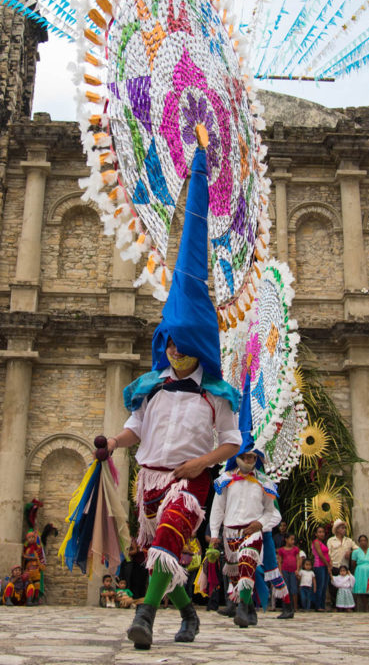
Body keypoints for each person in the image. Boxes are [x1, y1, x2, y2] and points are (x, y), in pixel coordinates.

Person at [102, 129, 242, 652]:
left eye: (186, 346)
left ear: (199, 350)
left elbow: (234, 443)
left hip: (192, 482)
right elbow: (134, 430)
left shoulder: (217, 395)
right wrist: (112, 445)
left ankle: (144, 618)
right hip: (151, 480)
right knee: (161, 552)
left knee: (166, 544)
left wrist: (201, 463)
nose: (177, 353)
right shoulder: (152, 389)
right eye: (171, 345)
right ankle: (188, 613)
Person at [208, 448, 281, 628]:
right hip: (230, 532)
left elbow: (270, 511)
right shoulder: (225, 480)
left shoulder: (265, 482)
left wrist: (261, 523)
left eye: (252, 457)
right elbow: (218, 508)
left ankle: (241, 609)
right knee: (236, 576)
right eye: (245, 456)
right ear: (237, 457)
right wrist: (214, 534)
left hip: (252, 530)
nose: (248, 460)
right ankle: (249, 608)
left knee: (248, 566)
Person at [327, 519, 356, 605]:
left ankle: (346, 605)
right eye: (342, 528)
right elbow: (329, 553)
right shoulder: (331, 540)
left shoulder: (349, 541)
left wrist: (350, 552)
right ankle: (335, 605)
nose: (344, 530)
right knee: (333, 587)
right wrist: (329, 565)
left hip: (344, 567)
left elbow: (357, 549)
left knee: (345, 587)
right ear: (337, 530)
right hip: (335, 566)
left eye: (344, 528)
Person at [277, 532, 303, 610]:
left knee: (294, 589)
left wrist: (297, 569)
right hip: (285, 570)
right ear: (286, 540)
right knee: (286, 589)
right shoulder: (281, 550)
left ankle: (295, 607)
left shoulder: (295, 549)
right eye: (291, 539)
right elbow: (279, 561)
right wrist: (280, 571)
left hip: (293, 571)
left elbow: (298, 559)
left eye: (293, 540)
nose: (293, 541)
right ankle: (286, 606)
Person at [310, 525, 330, 611]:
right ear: (316, 534)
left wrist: (330, 563)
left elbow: (327, 554)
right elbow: (320, 554)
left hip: (325, 566)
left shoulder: (323, 543)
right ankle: (318, 606)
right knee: (320, 586)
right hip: (319, 565)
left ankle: (322, 605)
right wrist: (327, 564)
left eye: (323, 532)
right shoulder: (316, 542)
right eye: (319, 532)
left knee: (324, 586)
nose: (322, 534)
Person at [351, 534, 369, 612]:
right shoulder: (355, 552)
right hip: (360, 572)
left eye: (364, 540)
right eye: (361, 541)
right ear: (359, 542)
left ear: (367, 541)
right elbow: (353, 563)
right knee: (362, 589)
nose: (363, 542)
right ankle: (365, 606)